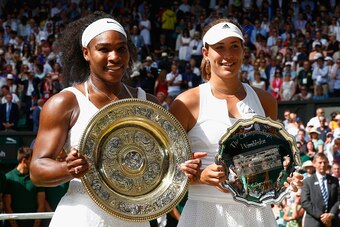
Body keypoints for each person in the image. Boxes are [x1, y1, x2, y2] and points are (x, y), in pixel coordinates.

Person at [29, 11, 159, 227]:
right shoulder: (65, 102)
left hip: (134, 219)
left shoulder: (150, 103)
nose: (114, 57)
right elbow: (37, 171)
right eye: (104, 49)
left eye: (121, 49)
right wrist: (68, 169)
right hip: (82, 218)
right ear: (86, 53)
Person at [169, 19, 302, 227]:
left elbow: (271, 160)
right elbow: (166, 171)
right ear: (206, 53)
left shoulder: (265, 101)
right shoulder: (185, 103)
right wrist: (200, 177)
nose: (228, 56)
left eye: (234, 46)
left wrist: (286, 175)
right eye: (220, 48)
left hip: (257, 215)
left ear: (243, 51)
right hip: (204, 213)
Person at [3, 146, 46, 227]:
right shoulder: (9, 178)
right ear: (24, 160)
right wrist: (14, 224)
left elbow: (41, 203)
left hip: (33, 224)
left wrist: (36, 224)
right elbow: (7, 205)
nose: (34, 162)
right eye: (32, 160)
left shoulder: (36, 177)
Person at [301, 153, 339, 227]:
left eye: (325, 162)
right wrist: (322, 216)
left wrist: (331, 214)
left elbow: (338, 199)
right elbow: (305, 202)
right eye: (320, 162)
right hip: (314, 222)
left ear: (328, 163)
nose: (322, 165)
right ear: (314, 164)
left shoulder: (334, 180)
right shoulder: (307, 182)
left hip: (332, 222)